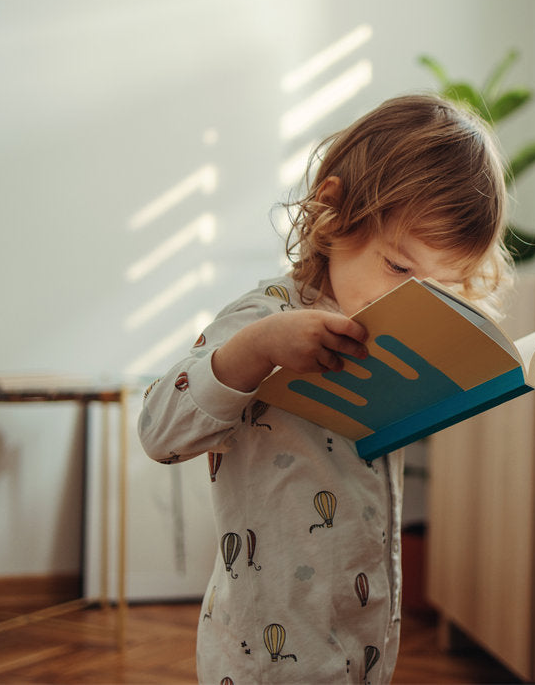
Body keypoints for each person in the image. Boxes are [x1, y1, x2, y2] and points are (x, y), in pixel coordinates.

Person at [138, 93, 512, 684]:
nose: (409, 301)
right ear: (332, 213)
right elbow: (159, 431)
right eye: (399, 269)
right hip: (263, 654)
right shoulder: (265, 317)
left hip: (362, 641)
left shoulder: (389, 334)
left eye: (442, 287)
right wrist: (256, 350)